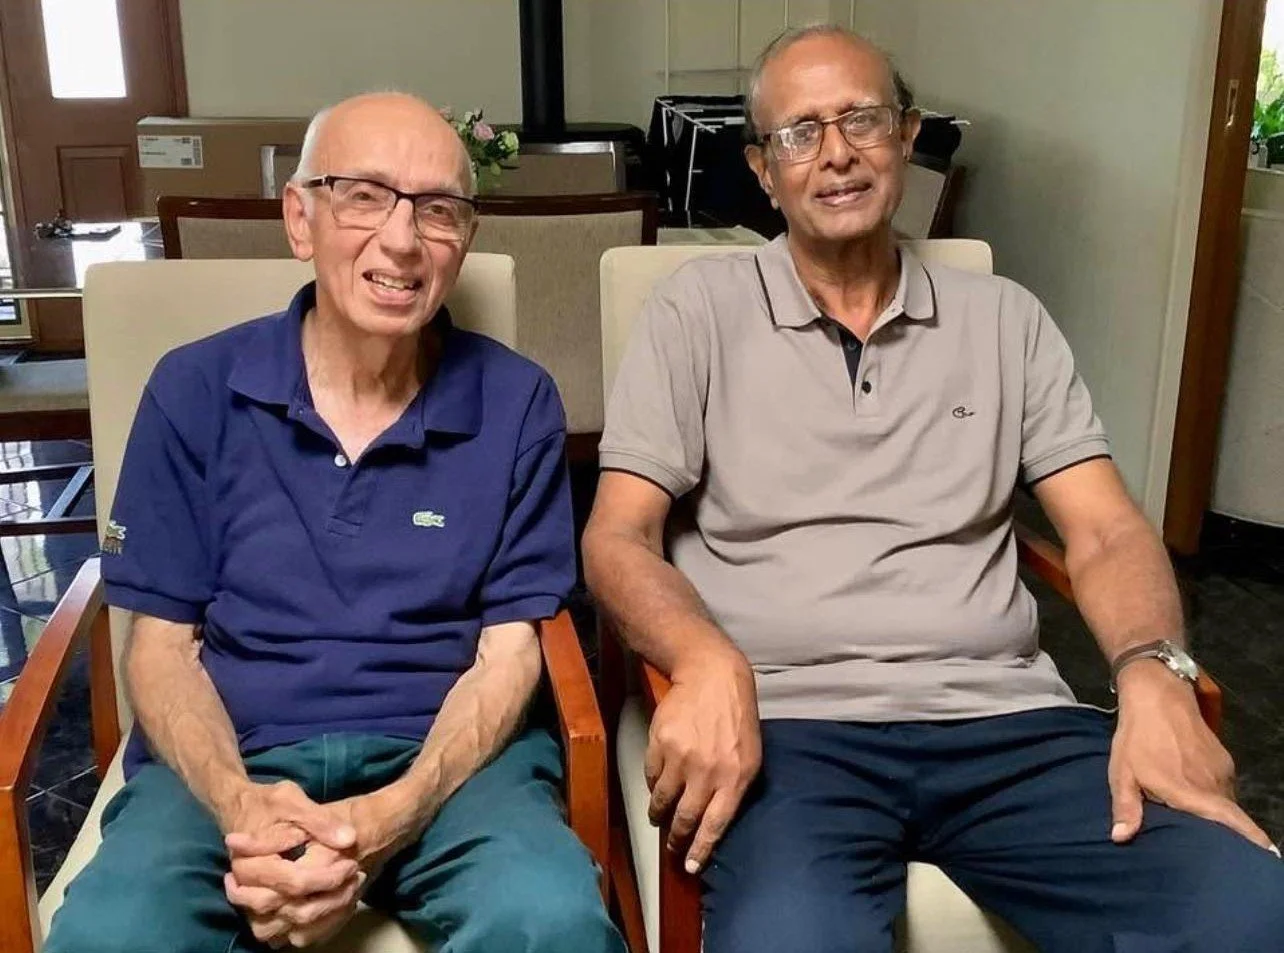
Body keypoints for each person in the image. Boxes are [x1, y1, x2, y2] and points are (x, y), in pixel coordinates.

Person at [584, 25, 1284, 953]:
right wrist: (708, 660)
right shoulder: (697, 310)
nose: (836, 153)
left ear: (907, 137)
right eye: (800, 132)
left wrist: (1153, 668)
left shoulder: (1005, 319)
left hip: (1008, 724)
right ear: (762, 170)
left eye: (862, 120)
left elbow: (1108, 531)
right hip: (789, 731)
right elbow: (618, 535)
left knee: (1248, 906)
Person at [45, 92, 624, 953]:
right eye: (364, 196)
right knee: (111, 934)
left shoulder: (517, 402)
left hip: (452, 766)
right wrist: (242, 807)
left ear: (464, 239)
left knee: (552, 921)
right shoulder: (194, 388)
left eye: (437, 209)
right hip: (231, 755)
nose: (402, 239)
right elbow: (160, 649)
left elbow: (509, 655)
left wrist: (394, 813)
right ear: (299, 219)